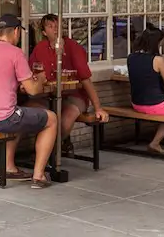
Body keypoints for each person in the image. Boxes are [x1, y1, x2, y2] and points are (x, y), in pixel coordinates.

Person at [0, 14, 58, 188]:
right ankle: (39, 176)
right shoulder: (16, 53)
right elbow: (32, 91)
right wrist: (40, 79)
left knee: (20, 112)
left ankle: (10, 167)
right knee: (52, 119)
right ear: (16, 31)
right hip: (2, 119)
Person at [28, 13, 108, 155]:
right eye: (51, 27)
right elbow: (31, 73)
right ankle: (41, 153)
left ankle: (48, 155)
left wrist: (98, 107)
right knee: (29, 113)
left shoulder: (73, 47)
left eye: (58, 26)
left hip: (74, 94)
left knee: (64, 122)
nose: (55, 29)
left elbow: (85, 79)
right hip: (46, 94)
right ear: (44, 32)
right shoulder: (40, 49)